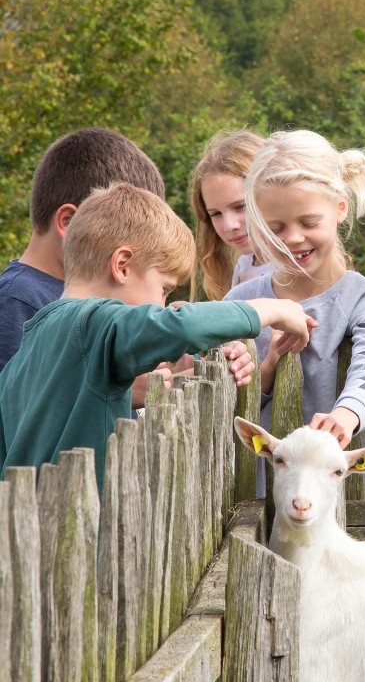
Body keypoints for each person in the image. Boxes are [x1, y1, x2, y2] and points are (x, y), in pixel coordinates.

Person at [0, 183, 313, 494]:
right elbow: (179, 326)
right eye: (163, 289)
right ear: (121, 265)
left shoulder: (24, 356)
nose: (163, 305)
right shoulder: (95, 322)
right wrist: (274, 309)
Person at [225, 129, 365, 462]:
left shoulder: (364, 299)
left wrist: (346, 415)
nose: (293, 238)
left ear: (341, 207)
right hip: (263, 499)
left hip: (352, 503)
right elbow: (227, 406)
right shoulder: (239, 303)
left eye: (308, 221)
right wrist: (270, 363)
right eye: (276, 228)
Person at [0, 126, 166, 373]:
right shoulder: (16, 301)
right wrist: (122, 391)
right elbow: (18, 405)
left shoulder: (91, 296)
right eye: (128, 241)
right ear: (69, 224)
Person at [189, 128, 273, 302]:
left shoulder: (296, 268)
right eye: (216, 213)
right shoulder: (244, 266)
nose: (229, 225)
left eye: (241, 206)